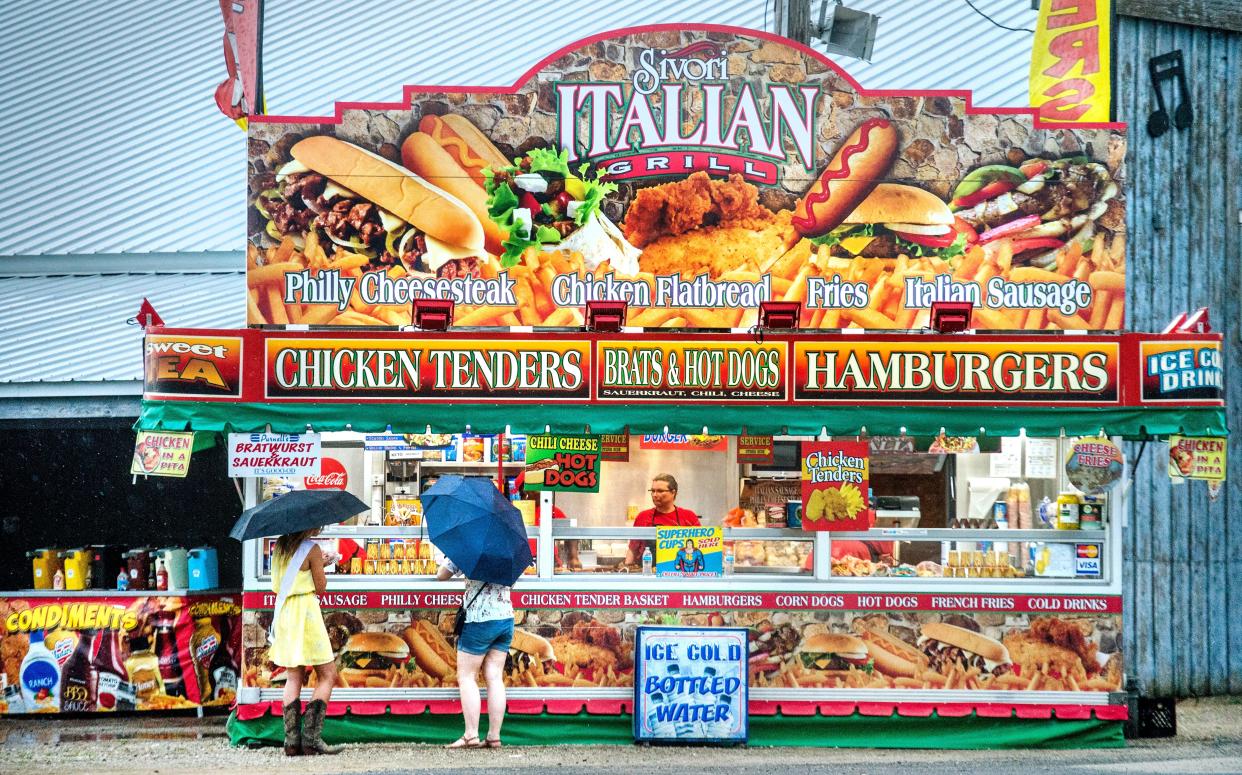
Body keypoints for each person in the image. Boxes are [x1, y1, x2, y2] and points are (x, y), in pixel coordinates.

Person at [269, 527, 342, 756]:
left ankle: (291, 742)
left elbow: (275, 585)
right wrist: (322, 563)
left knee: (294, 676)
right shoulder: (312, 549)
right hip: (306, 614)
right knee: (328, 674)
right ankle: (311, 739)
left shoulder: (280, 545)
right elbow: (320, 587)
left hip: (286, 613)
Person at [436, 557, 513, 749]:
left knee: (467, 676)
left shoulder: (469, 545)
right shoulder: (507, 549)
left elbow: (441, 575)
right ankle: (494, 737)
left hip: (479, 619)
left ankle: (471, 734)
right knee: (494, 677)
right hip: (505, 617)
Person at [624, 473, 700, 567]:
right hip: (649, 574)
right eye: (653, 491)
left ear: (673, 492)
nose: (655, 495)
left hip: (680, 574)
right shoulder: (643, 517)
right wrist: (626, 570)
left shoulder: (689, 517)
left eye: (660, 491)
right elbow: (633, 549)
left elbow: (699, 547)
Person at [515, 471, 580, 570]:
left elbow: (570, 534)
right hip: (521, 564)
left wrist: (573, 557)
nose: (540, 492)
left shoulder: (551, 510)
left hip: (551, 563)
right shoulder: (514, 511)